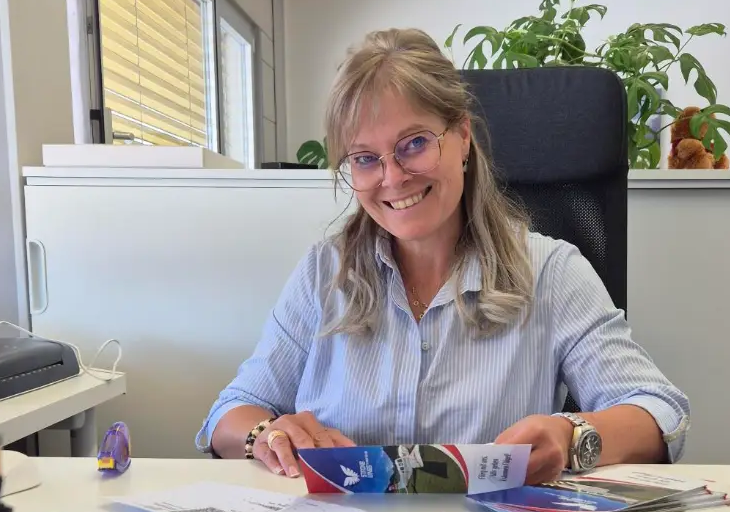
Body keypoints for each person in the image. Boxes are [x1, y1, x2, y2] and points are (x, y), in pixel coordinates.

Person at [198, 29, 689, 482]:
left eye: (413, 144)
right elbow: (231, 412)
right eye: (365, 158)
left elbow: (660, 413)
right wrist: (267, 435)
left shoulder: (551, 272)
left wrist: (571, 435)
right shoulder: (323, 273)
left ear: (462, 136)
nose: (393, 178)